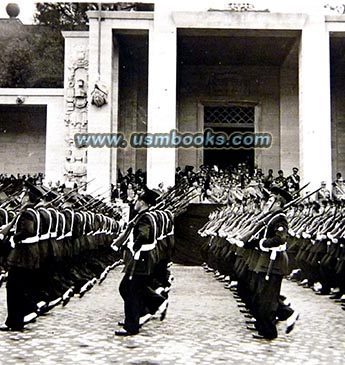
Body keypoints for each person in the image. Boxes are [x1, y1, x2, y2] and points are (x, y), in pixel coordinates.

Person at [247, 186, 299, 340]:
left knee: (267, 299)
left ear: (278, 202)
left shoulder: (280, 218)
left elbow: (280, 238)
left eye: (271, 199)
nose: (268, 202)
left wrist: (263, 243)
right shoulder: (272, 217)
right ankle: (270, 324)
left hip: (274, 262)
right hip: (266, 260)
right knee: (263, 296)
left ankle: (270, 331)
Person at [115, 189, 166, 336]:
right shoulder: (145, 215)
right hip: (143, 257)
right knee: (130, 287)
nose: (135, 203)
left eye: (137, 201)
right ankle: (151, 306)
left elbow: (144, 234)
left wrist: (134, 246)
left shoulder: (144, 218)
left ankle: (132, 325)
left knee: (129, 289)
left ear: (142, 203)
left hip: (141, 258)